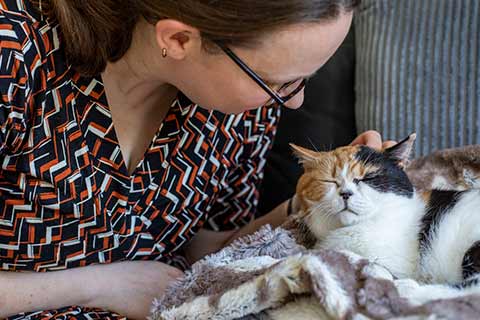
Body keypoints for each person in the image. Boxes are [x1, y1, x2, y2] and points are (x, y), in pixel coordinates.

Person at [0, 0, 393, 318]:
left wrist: (313, 204)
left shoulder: (243, 110)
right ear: (179, 38)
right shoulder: (14, 54)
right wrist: (98, 286)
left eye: (303, 79)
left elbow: (199, 253)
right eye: (279, 82)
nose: (295, 101)